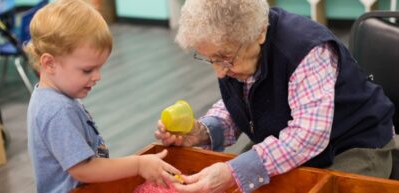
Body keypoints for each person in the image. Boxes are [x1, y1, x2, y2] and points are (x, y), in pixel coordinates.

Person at [155, 0, 397, 192]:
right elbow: (243, 102)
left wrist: (233, 171)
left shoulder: (307, 50)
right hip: (286, 137)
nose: (219, 72)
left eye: (224, 58)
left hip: (355, 145)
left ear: (259, 33)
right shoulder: (238, 47)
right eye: (210, 59)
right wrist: (204, 131)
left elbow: (307, 136)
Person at [26, 1, 180, 193]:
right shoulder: (57, 109)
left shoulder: (53, 97)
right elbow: (83, 169)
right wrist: (138, 164)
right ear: (49, 64)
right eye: (88, 70)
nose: (98, 76)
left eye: (99, 68)